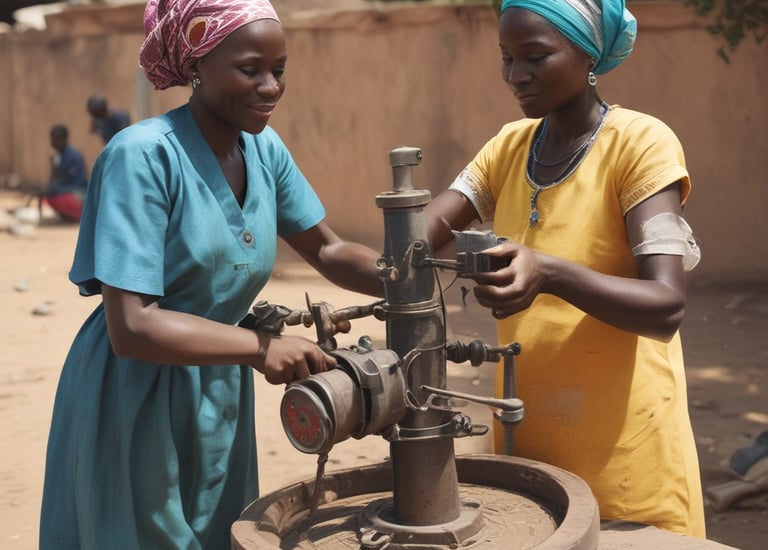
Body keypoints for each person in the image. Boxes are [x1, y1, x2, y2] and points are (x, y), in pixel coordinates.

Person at [39, 1, 381, 548]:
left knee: (220, 531)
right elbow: (133, 326)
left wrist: (414, 274)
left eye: (279, 69)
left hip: (219, 388)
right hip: (134, 392)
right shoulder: (142, 157)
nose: (270, 86)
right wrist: (260, 348)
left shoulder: (263, 149)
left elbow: (330, 249)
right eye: (250, 69)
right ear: (197, 65)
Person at [425, 0, 705, 538]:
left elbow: (666, 305)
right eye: (507, 58)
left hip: (626, 467)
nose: (516, 75)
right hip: (528, 455)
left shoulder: (640, 145)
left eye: (535, 56)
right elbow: (419, 237)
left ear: (588, 56)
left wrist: (550, 274)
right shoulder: (507, 148)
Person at [35, 123, 88, 222]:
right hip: (66, 190)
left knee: (58, 196)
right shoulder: (59, 155)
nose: (53, 142)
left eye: (56, 139)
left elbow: (78, 184)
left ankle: (77, 215)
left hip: (79, 194)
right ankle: (67, 215)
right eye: (52, 139)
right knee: (49, 195)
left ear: (64, 139)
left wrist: (55, 189)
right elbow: (56, 180)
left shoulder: (73, 155)